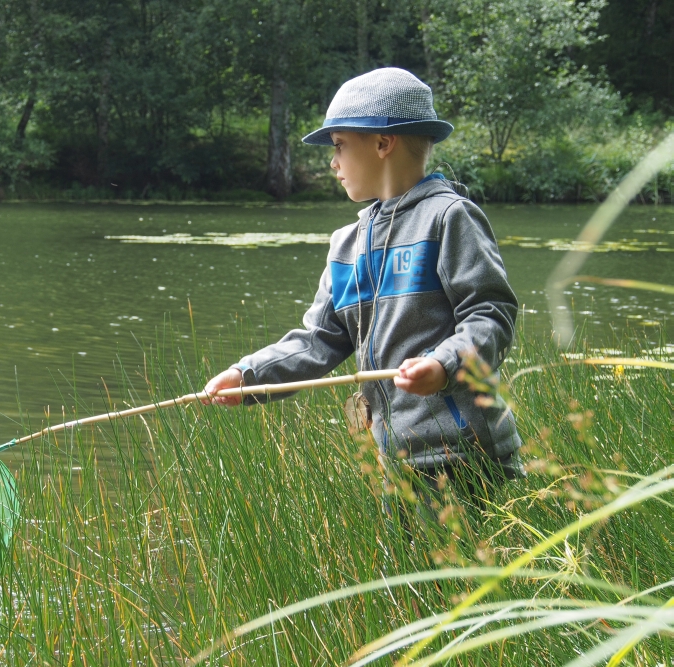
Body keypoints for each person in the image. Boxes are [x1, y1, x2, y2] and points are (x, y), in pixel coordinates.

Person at [203, 67, 523, 525]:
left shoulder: (449, 217)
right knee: (411, 594)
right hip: (396, 462)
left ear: (382, 143)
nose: (332, 162)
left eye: (338, 146)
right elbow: (319, 341)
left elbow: (490, 316)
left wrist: (443, 364)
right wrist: (248, 374)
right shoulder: (347, 245)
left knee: (471, 591)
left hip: (467, 460)